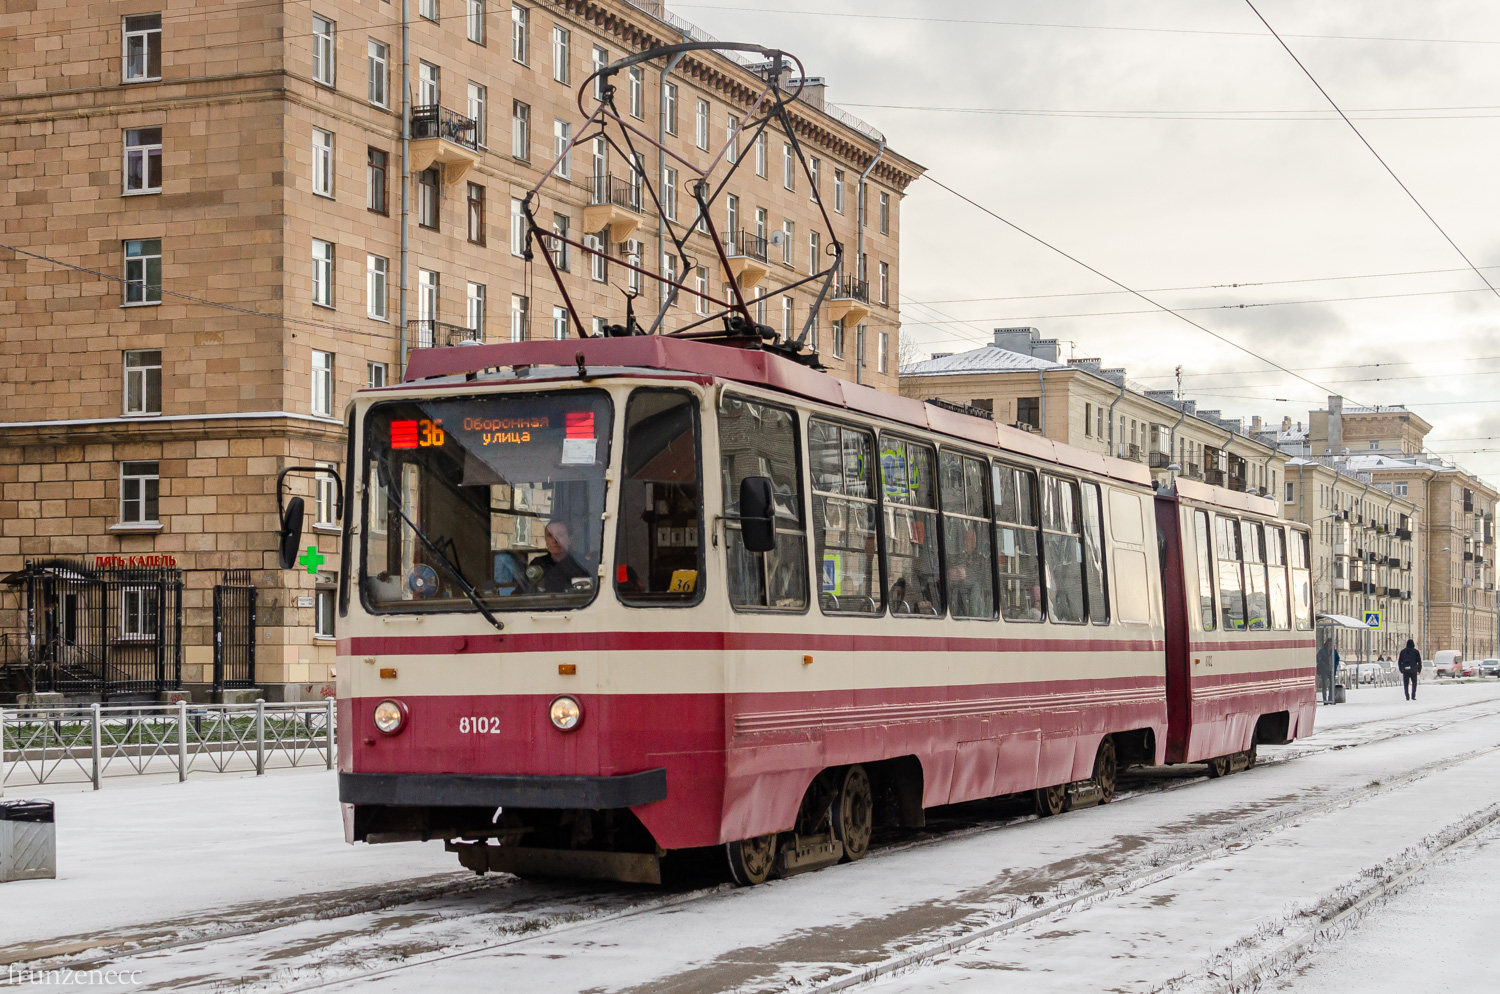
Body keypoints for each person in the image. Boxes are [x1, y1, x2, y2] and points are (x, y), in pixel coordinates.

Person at [529, 520, 588, 593]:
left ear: (570, 539)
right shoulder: (538, 563)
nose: (554, 540)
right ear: (545, 540)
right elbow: (522, 592)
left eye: (560, 535)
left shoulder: (580, 563)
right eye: (550, 535)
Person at [1317, 637, 1335, 705]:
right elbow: (1318, 659)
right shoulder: (1322, 651)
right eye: (1329, 643)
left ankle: (1330, 698)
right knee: (1324, 685)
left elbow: (1336, 659)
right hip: (1324, 670)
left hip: (1331, 670)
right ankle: (1325, 699)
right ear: (1327, 643)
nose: (1330, 645)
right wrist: (1323, 664)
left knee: (1332, 684)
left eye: (1331, 643)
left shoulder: (1333, 651)